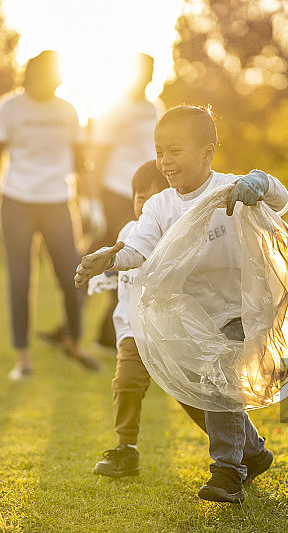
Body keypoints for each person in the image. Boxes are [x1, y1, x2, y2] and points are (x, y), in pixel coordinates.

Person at [75, 105, 284, 503]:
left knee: (221, 381)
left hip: (237, 307)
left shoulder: (232, 187)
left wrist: (262, 182)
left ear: (208, 151)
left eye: (175, 151)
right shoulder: (159, 206)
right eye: (159, 151)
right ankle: (253, 452)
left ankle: (227, 473)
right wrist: (110, 258)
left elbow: (280, 199)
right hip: (191, 316)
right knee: (198, 389)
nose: (165, 162)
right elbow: (139, 247)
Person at [0, 50, 100, 381]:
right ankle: (23, 358)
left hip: (58, 201)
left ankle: (74, 343)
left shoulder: (69, 110)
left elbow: (81, 162)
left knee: (72, 277)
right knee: (19, 280)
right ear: (32, 75)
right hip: (16, 201)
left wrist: (90, 204)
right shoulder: (8, 107)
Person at [92, 160, 208, 478]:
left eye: (154, 197)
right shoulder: (128, 232)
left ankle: (246, 447)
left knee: (194, 393)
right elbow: (124, 263)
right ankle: (125, 449)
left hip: (174, 331)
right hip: (133, 329)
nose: (145, 204)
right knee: (126, 383)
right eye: (139, 197)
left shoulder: (181, 233)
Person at [40, 53, 163, 351]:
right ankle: (88, 332)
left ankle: (90, 332)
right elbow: (98, 159)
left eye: (150, 72)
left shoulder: (155, 108)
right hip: (116, 194)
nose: (145, 77)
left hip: (147, 196)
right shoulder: (115, 110)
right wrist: (94, 204)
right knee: (110, 259)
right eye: (141, 71)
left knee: (123, 261)